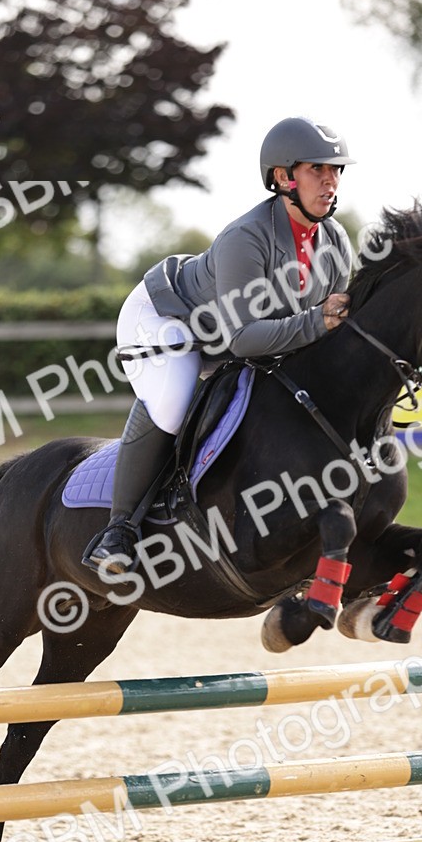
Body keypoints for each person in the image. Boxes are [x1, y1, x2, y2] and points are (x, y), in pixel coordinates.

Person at [82, 115, 356, 575]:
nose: (330, 182)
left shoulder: (336, 240)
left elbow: (326, 334)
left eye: (336, 171)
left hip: (225, 332)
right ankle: (118, 531)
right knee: (173, 398)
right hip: (165, 318)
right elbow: (246, 338)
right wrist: (317, 321)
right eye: (317, 170)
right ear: (282, 177)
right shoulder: (245, 238)